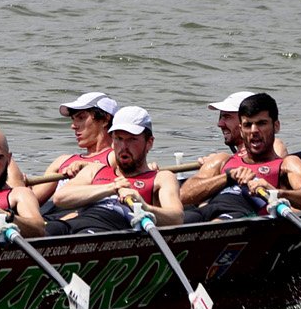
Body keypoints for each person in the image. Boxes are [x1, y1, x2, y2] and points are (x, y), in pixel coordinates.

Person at [179, 93, 301, 220]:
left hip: (240, 216)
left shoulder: (287, 164)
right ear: (241, 130)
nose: (254, 131)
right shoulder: (222, 160)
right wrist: (227, 177)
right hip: (206, 212)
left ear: (276, 126)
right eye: (248, 125)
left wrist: (275, 193)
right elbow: (183, 195)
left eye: (261, 123)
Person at [49, 106, 183, 232]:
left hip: (108, 228)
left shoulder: (162, 178)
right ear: (112, 141)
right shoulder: (95, 169)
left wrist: (144, 206)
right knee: (48, 230)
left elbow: (176, 218)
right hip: (72, 225)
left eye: (132, 139)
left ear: (149, 143)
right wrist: (111, 188)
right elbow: (60, 198)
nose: (123, 146)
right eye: (118, 139)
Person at [180, 89, 288, 207]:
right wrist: (215, 166)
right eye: (221, 117)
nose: (220, 124)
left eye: (227, 117)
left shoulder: (276, 144)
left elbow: (273, 165)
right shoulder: (223, 159)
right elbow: (183, 195)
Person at [33, 92, 117, 204]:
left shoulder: (115, 157)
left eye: (81, 118)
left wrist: (87, 166)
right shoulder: (61, 161)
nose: (73, 126)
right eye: (73, 119)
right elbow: (33, 200)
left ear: (105, 120)